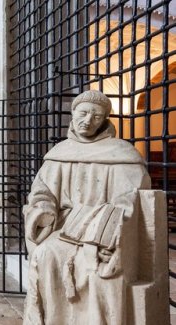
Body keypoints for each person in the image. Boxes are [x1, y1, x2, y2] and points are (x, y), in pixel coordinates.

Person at [23, 90, 150, 325]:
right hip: (64, 228)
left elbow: (130, 199)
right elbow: (43, 192)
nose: (88, 121)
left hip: (104, 233)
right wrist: (44, 211)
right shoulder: (59, 154)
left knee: (101, 270)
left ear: (105, 121)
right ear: (73, 114)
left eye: (96, 116)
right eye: (83, 113)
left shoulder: (123, 154)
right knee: (45, 255)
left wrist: (108, 228)